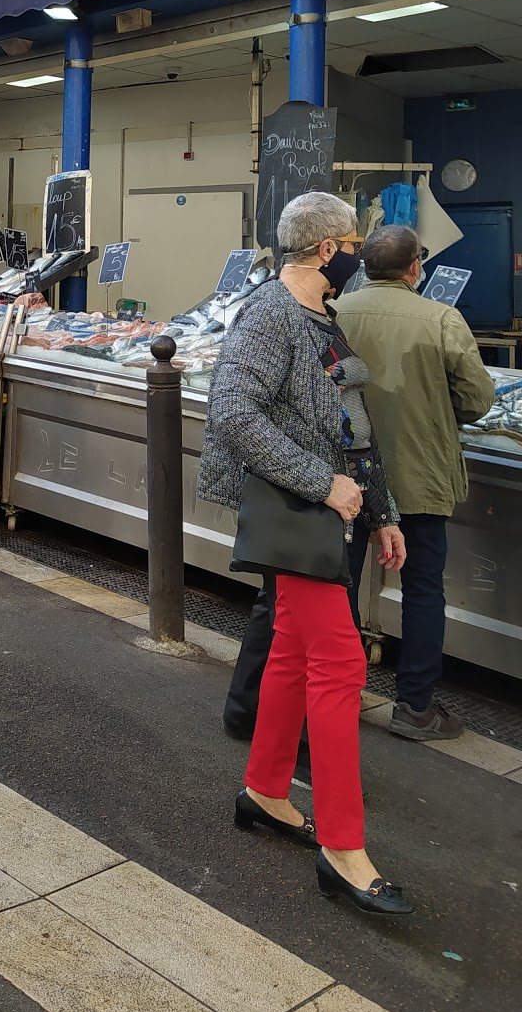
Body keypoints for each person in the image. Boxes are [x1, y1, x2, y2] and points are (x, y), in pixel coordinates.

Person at [198, 192, 413, 916]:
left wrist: (378, 510)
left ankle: (263, 790)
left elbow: (351, 423)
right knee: (344, 664)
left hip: (329, 513)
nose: (357, 251)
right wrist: (323, 484)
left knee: (290, 650)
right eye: (352, 241)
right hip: (299, 513)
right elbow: (231, 412)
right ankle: (344, 852)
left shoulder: (322, 316)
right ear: (328, 250)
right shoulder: (269, 315)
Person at [336, 225, 494, 741]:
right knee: (423, 586)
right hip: (417, 474)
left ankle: (340, 689)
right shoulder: (442, 317)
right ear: (414, 269)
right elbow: (477, 400)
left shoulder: (337, 311)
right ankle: (415, 707)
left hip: (345, 474)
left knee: (340, 582)